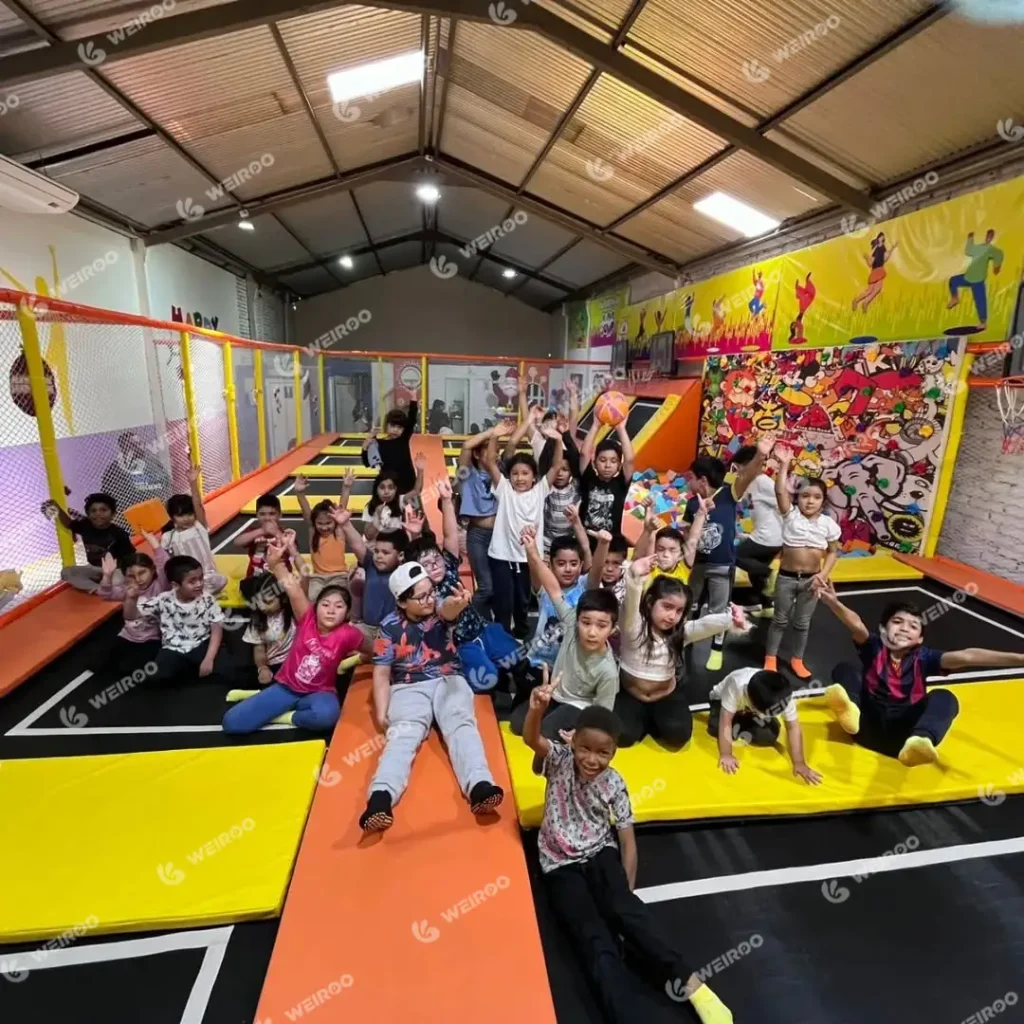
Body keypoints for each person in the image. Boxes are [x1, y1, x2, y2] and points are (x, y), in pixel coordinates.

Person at [523, 684, 734, 1024]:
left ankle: (697, 988)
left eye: (602, 753)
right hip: (559, 863)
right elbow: (532, 740)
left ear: (613, 753)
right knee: (592, 937)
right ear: (573, 744)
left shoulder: (614, 783)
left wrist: (625, 893)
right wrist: (537, 709)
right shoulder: (559, 761)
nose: (592, 759)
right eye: (585, 749)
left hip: (599, 853)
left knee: (629, 914)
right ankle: (625, 1015)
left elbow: (628, 840)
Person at [359, 561, 504, 833]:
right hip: (407, 686)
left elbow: (447, 608)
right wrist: (381, 712)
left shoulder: (437, 608)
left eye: (430, 591)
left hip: (449, 679)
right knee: (402, 737)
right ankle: (380, 798)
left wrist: (459, 603)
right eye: (421, 596)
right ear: (402, 602)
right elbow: (381, 672)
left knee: (461, 726)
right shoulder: (388, 627)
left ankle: (479, 786)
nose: (429, 599)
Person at [815, 581, 1024, 766]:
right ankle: (851, 709)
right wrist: (834, 603)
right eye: (897, 622)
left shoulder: (926, 658)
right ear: (884, 630)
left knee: (944, 696)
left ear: (919, 639)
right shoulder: (874, 646)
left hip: (902, 739)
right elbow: (855, 623)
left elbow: (968, 656)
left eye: (913, 626)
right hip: (864, 728)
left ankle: (922, 739)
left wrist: (1020, 659)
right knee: (845, 669)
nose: (905, 628)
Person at [223, 540, 363, 734]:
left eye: (338, 607)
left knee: (327, 717)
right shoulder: (306, 619)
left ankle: (288, 716)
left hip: (319, 692)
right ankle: (270, 703)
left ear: (347, 613)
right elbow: (293, 589)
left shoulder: (349, 634)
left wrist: (389, 653)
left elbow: (374, 649)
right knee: (232, 724)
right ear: (316, 608)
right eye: (325, 605)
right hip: (287, 688)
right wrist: (276, 564)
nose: (331, 611)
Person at [615, 555, 749, 749]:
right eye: (667, 607)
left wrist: (731, 620)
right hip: (631, 695)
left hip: (665, 696)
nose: (672, 616)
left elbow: (703, 625)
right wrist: (634, 578)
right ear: (651, 601)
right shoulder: (633, 626)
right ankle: (641, 719)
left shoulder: (681, 633)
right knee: (623, 737)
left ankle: (652, 719)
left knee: (678, 736)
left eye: (679, 611)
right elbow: (630, 605)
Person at [406, 478, 520, 692]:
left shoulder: (448, 567)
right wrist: (457, 604)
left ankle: (498, 665)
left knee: (518, 657)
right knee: (487, 679)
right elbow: (445, 609)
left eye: (436, 560)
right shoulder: (425, 591)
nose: (435, 566)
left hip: (483, 629)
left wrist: (447, 500)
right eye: (427, 565)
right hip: (462, 644)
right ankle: (457, 673)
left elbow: (449, 535)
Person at [509, 529, 619, 738]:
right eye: (586, 622)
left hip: (576, 698)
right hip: (549, 676)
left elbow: (596, 570)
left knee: (544, 732)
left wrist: (603, 545)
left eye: (601, 625)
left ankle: (568, 720)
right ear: (578, 619)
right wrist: (531, 550)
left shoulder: (608, 670)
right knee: (518, 724)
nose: (592, 631)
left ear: (612, 629)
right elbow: (552, 589)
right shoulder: (570, 620)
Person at [685, 434, 774, 670]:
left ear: (702, 481)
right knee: (690, 604)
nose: (688, 483)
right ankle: (686, 640)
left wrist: (761, 454)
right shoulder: (692, 503)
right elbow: (687, 533)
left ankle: (716, 650)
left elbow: (748, 475)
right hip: (698, 564)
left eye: (690, 479)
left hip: (722, 565)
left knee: (719, 609)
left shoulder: (728, 494)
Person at [483, 410, 565, 639]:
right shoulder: (505, 490)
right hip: (501, 555)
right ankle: (500, 638)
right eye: (515, 474)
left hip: (527, 557)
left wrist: (558, 439)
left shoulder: (540, 490)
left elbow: (556, 466)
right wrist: (494, 436)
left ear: (533, 476)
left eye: (525, 473)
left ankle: (520, 635)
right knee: (503, 600)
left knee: (523, 601)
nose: (519, 478)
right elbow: (490, 461)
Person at [764, 445, 840, 679]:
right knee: (779, 620)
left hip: (812, 581)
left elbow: (833, 552)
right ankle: (770, 658)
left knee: (802, 623)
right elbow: (779, 492)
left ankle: (797, 660)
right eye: (805, 496)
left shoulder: (828, 524)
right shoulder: (791, 515)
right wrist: (784, 465)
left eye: (816, 497)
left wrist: (823, 575)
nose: (810, 502)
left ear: (823, 501)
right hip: (787, 578)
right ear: (798, 498)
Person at [124, 554, 235, 684]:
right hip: (174, 648)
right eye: (192, 581)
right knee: (154, 678)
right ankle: (190, 670)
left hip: (201, 644)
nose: (199, 584)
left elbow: (216, 629)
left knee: (231, 670)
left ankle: (196, 668)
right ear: (175, 585)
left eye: (200, 578)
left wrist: (209, 659)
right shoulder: (163, 599)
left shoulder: (207, 598)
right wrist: (131, 599)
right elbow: (131, 616)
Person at [709, 667, 822, 784]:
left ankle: (742, 725)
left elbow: (793, 727)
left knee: (768, 736)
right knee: (716, 726)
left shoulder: (783, 697)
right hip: (723, 703)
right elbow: (725, 719)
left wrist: (799, 763)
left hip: (752, 712)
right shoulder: (737, 684)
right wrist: (726, 754)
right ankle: (741, 725)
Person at [456, 421, 514, 619]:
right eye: (489, 450)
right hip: (478, 537)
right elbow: (466, 446)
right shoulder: (467, 475)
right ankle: (468, 619)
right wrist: (492, 432)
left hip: (500, 536)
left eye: (496, 450)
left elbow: (512, 445)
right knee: (486, 588)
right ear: (477, 454)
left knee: (499, 588)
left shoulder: (501, 474)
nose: (494, 454)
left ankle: (491, 626)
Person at [334, 507, 407, 651]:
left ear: (400, 556)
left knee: (392, 647)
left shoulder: (403, 572)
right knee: (342, 636)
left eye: (385, 553)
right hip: (367, 628)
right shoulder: (371, 565)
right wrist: (346, 524)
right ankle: (365, 657)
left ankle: (369, 657)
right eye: (377, 551)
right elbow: (357, 544)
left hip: (392, 632)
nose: (379, 556)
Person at [42, 492, 134, 593]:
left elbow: (131, 558)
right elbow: (69, 524)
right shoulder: (86, 526)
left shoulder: (119, 534)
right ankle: (98, 589)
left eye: (103, 510)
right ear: (88, 514)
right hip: (95, 569)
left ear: (113, 514)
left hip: (116, 571)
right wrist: (58, 508)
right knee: (67, 572)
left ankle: (108, 586)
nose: (98, 514)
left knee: (117, 580)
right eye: (93, 511)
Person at [732, 445, 783, 618]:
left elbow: (782, 504)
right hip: (766, 535)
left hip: (769, 537)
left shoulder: (763, 482)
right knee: (755, 574)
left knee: (735, 555)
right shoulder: (752, 483)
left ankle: (771, 574)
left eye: (739, 466)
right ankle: (767, 607)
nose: (737, 471)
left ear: (751, 464)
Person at [160, 464, 227, 596]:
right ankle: (199, 596)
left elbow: (198, 504)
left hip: (207, 577)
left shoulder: (199, 527)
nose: (186, 519)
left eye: (189, 514)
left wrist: (193, 483)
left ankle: (201, 595)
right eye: (180, 515)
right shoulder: (168, 536)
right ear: (172, 517)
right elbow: (165, 560)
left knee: (221, 580)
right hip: (184, 580)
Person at [96, 537, 169, 647]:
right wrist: (107, 576)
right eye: (131, 576)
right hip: (127, 636)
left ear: (153, 570)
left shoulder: (160, 584)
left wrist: (152, 541)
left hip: (152, 639)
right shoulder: (128, 589)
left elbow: (164, 564)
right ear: (125, 577)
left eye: (142, 573)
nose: (138, 579)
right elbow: (105, 594)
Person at [295, 469, 354, 601]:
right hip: (318, 578)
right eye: (320, 523)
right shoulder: (314, 533)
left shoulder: (338, 532)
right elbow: (306, 513)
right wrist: (300, 493)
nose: (325, 527)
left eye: (328, 523)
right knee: (313, 598)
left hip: (339, 576)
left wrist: (346, 487)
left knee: (338, 598)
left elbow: (341, 508)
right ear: (314, 523)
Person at [578, 414, 635, 537]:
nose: (608, 465)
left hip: (611, 544)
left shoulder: (620, 484)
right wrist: (595, 425)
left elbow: (629, 460)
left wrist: (621, 429)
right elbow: (584, 454)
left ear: (619, 465)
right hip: (586, 541)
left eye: (613, 461)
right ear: (594, 462)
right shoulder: (588, 479)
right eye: (602, 460)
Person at [238, 571, 297, 686]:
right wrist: (262, 668)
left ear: (283, 598)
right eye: (258, 601)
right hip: (273, 665)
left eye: (268, 602)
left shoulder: (294, 612)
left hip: (294, 662)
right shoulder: (258, 619)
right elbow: (259, 649)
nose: (261, 606)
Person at [100, 430, 171, 517]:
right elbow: (109, 496)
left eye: (140, 443)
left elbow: (167, 482)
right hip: (132, 517)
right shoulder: (115, 469)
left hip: (159, 513)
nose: (140, 447)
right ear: (123, 448)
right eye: (133, 445)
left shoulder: (153, 462)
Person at [362, 389, 419, 494]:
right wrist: (365, 448)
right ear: (386, 425)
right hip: (389, 485)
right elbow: (367, 463)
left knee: (409, 508)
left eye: (399, 427)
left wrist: (413, 398)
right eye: (393, 426)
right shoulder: (378, 443)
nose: (396, 430)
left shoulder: (403, 439)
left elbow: (412, 418)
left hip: (407, 482)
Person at [947, 228, 1003, 329]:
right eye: (988, 236)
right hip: (968, 277)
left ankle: (983, 322)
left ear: (992, 238)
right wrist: (970, 238)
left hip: (978, 281)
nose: (988, 238)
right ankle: (955, 298)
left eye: (991, 236)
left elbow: (999, 254)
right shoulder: (979, 248)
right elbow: (968, 250)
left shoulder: (991, 250)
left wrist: (997, 266)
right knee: (953, 281)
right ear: (986, 237)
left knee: (980, 301)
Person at [362, 457, 425, 540]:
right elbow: (368, 536)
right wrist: (377, 516)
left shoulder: (400, 501)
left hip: (395, 545)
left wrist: (420, 471)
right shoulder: (370, 507)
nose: (386, 491)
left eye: (391, 488)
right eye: (382, 487)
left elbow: (416, 491)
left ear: (396, 490)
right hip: (377, 546)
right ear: (376, 490)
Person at [233, 493, 292, 577]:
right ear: (257, 515)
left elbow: (293, 551)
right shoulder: (253, 532)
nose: (267, 518)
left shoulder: (285, 533)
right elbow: (237, 542)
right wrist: (261, 531)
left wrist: (277, 533)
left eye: (272, 514)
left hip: (281, 578)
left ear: (280, 515)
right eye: (262, 514)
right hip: (255, 578)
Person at [852, 233, 898, 313]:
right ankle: (857, 301)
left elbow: (885, 257)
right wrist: (867, 257)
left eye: (883, 238)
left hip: (880, 269)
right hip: (876, 270)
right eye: (881, 238)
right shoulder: (876, 248)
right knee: (870, 290)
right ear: (879, 238)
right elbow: (871, 260)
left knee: (877, 289)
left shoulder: (882, 247)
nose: (882, 239)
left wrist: (892, 248)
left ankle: (865, 302)